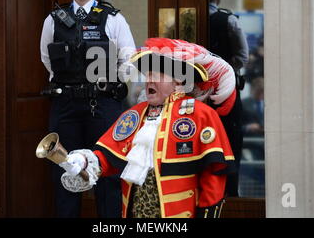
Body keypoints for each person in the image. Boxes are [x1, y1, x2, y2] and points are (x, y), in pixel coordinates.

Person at [55, 38, 237, 218]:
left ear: (179, 82)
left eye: (157, 75)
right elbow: (109, 154)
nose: (149, 80)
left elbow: (214, 174)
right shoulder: (135, 114)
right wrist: (83, 161)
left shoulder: (200, 114)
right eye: (148, 75)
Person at [40, 0, 136, 218]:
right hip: (66, 104)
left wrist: (107, 81)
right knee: (65, 173)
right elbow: (47, 59)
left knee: (108, 173)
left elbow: (129, 58)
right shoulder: (53, 20)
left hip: (103, 104)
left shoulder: (113, 18)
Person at [208, 0, 249, 197]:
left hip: (193, 96)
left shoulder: (183, 18)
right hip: (228, 96)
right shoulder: (229, 20)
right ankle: (230, 199)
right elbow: (242, 58)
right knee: (230, 148)